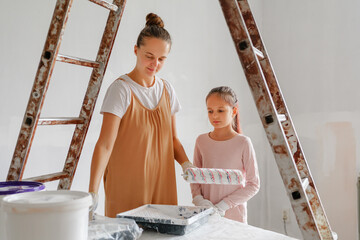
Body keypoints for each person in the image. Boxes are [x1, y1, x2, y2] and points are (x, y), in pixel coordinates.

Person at [88, 13, 193, 218]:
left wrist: (186, 164)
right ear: (136, 50)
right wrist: (92, 191)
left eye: (162, 59)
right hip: (127, 186)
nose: (155, 64)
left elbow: (172, 139)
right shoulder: (121, 90)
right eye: (149, 56)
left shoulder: (167, 89)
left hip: (162, 184)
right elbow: (105, 145)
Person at [190, 86, 260, 223]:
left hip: (234, 217)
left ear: (234, 111)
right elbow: (194, 176)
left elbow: (253, 184)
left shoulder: (243, 143)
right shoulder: (201, 141)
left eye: (220, 110)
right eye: (210, 111)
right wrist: (199, 200)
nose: (214, 116)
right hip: (205, 214)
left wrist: (224, 205)